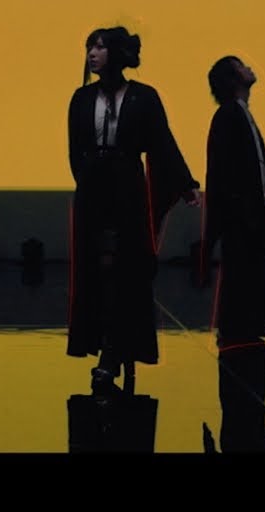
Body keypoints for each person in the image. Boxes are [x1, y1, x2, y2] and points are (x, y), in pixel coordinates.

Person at [66, 25, 200, 392]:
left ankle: (117, 348)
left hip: (127, 188)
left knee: (125, 269)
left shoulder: (144, 96)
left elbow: (162, 142)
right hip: (93, 190)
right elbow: (75, 148)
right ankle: (103, 344)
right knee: (96, 268)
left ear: (117, 53)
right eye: (89, 47)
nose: (92, 54)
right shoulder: (82, 98)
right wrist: (87, 177)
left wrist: (185, 183)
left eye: (99, 47)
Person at [204, 55, 265, 450]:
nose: (250, 67)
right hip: (241, 220)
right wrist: (235, 215)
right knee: (240, 277)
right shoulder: (229, 117)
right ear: (233, 78)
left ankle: (244, 327)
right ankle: (238, 329)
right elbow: (221, 173)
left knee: (248, 278)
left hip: (250, 220)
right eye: (243, 65)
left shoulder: (240, 114)